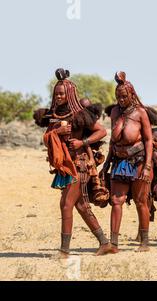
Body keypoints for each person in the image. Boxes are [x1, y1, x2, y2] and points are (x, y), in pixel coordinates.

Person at [33, 68, 113, 258]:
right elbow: (46, 138)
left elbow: (101, 131)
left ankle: (64, 251)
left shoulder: (79, 115)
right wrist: (55, 134)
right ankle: (105, 243)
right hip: (65, 166)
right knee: (81, 206)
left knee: (66, 204)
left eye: (62, 93)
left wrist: (82, 142)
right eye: (56, 93)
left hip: (79, 164)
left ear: (69, 94)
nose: (59, 96)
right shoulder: (53, 116)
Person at [101, 71, 153, 252]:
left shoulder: (141, 113)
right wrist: (106, 164)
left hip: (138, 161)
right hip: (118, 161)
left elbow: (148, 140)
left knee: (141, 201)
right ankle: (113, 244)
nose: (121, 100)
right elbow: (112, 139)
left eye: (124, 96)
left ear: (131, 95)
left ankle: (144, 242)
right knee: (116, 201)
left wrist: (147, 166)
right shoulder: (115, 112)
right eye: (118, 97)